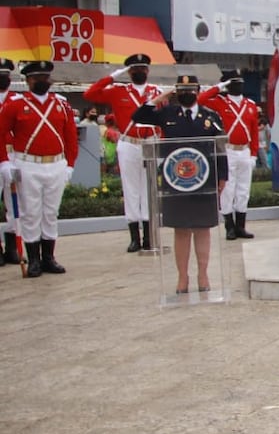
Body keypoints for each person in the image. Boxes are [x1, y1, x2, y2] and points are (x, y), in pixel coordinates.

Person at [133, 75, 227, 294]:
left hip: (205, 181)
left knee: (203, 229)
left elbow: (221, 149)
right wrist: (160, 98)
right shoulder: (167, 114)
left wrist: (222, 177)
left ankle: (203, 275)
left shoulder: (210, 116)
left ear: (197, 90)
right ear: (176, 92)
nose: (186, 94)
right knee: (182, 230)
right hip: (176, 181)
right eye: (181, 90)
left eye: (190, 89)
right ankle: (182, 277)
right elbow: (138, 116)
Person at [0, 61, 78, 277]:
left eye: (46, 77)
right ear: (28, 80)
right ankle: (33, 259)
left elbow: (70, 136)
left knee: (51, 213)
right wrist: (4, 162)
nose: (43, 81)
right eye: (38, 78)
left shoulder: (62, 104)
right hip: (27, 164)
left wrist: (70, 163)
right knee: (31, 213)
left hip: (56, 164)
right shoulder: (16, 104)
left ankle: (49, 258)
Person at [84, 54, 164, 253]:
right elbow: (90, 94)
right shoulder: (118, 91)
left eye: (143, 69)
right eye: (135, 69)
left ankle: (149, 236)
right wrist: (112, 76)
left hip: (150, 143)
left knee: (149, 191)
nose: (139, 72)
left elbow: (164, 120)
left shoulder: (157, 92)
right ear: (129, 72)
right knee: (131, 190)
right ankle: (134, 237)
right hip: (129, 143)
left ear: (148, 71)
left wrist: (161, 145)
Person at [198, 70, 258, 241]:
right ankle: (229, 227)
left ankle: (241, 227)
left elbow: (254, 132)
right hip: (228, 150)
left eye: (240, 81)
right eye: (234, 82)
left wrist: (253, 154)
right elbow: (199, 100)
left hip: (244, 151)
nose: (238, 85)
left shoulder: (250, 104)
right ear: (227, 85)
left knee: (243, 190)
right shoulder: (219, 102)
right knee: (227, 190)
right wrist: (218, 87)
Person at [0, 58, 22, 266]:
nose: (2, 78)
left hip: (13, 155)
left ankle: (13, 246)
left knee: (14, 203)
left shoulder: (17, 100)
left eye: (5, 75)